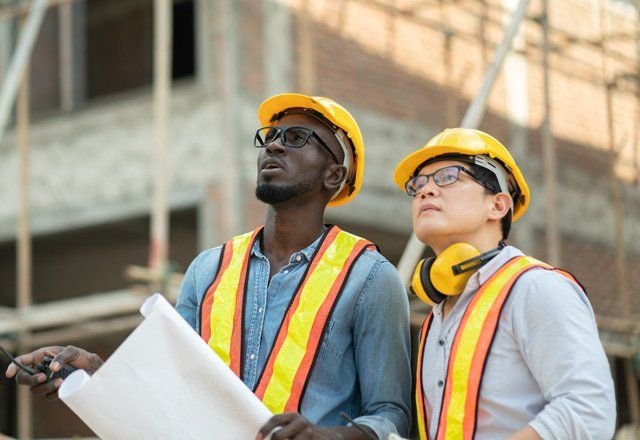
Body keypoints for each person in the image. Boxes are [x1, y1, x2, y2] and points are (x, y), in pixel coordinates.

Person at [6, 93, 412, 440]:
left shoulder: (370, 277)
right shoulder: (210, 268)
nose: (273, 146)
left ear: (334, 175)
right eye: (269, 137)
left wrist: (327, 436)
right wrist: (95, 372)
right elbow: (168, 385)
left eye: (296, 137)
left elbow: (391, 416)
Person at [393, 128, 616, 440]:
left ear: (498, 205)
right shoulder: (438, 315)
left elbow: (588, 411)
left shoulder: (535, 288)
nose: (425, 191)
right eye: (417, 184)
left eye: (448, 177)